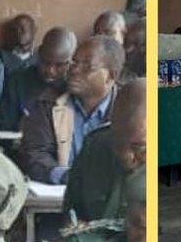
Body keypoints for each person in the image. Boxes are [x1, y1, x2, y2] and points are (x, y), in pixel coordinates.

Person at [20, 35, 122, 184]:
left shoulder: (129, 108)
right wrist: (65, 176)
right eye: (74, 62)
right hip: (58, 198)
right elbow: (35, 153)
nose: (74, 70)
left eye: (87, 66)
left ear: (110, 76)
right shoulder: (48, 101)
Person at [63, 76, 145, 223]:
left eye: (139, 147)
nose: (124, 155)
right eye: (117, 140)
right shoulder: (94, 146)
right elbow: (71, 213)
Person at [0, 27, 77, 135]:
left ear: (71, 61)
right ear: (39, 52)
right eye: (45, 62)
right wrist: (19, 127)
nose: (50, 71)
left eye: (59, 65)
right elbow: (1, 129)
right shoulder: (17, 81)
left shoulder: (77, 87)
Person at [0, 14, 37, 81]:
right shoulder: (0, 56)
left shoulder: (41, 57)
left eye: (23, 29)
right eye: (15, 29)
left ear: (34, 30)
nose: (19, 32)